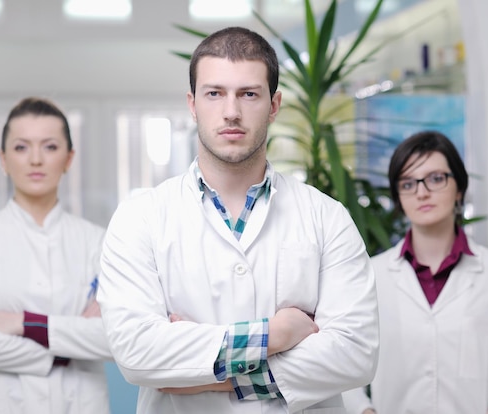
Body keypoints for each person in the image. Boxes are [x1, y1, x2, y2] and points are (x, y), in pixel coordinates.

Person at [97, 26, 379, 413]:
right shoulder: (140, 218)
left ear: (274, 105)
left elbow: (355, 353)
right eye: (215, 93)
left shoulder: (326, 217)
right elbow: (137, 352)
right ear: (193, 104)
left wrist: (223, 378)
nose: (231, 111)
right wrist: (274, 335)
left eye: (249, 94)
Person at [343, 130, 488, 414]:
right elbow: (342, 360)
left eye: (436, 178)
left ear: (459, 188)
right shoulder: (371, 275)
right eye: (408, 183)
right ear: (398, 197)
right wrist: (363, 410)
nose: (422, 192)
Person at [0, 97, 113, 414]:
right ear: (3, 159)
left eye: (50, 147)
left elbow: (112, 339)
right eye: (21, 147)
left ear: (69, 158)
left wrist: (23, 323)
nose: (35, 159)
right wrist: (68, 345)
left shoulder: (98, 241)